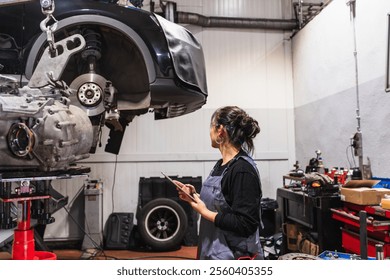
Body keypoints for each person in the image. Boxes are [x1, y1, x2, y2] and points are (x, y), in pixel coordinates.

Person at [175, 106, 264, 260]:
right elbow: (223, 204)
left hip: (233, 257)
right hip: (212, 252)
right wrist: (194, 196)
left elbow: (245, 223)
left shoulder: (242, 170)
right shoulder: (221, 165)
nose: (209, 131)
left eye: (211, 126)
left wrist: (204, 212)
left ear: (220, 130)